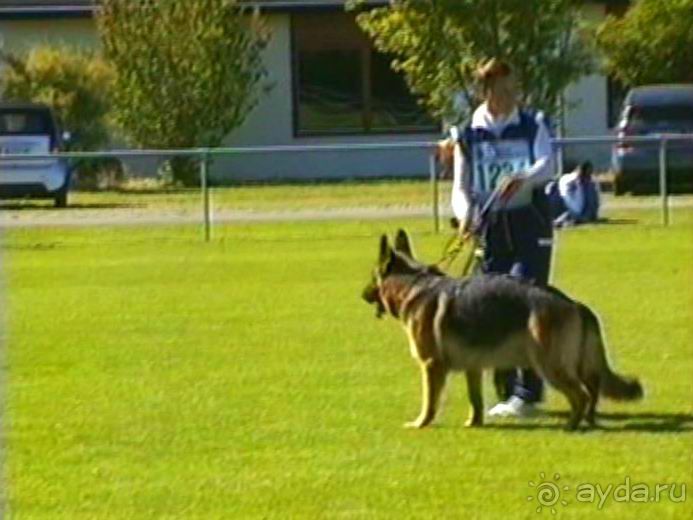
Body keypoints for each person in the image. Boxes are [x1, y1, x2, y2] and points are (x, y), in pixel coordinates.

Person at [438, 58, 555, 418]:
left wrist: (523, 177)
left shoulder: (533, 123)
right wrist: (466, 216)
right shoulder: (467, 134)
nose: (509, 96)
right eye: (501, 90)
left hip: (529, 223)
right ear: (484, 91)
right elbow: (462, 187)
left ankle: (528, 394)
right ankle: (506, 393)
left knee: (525, 298)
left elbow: (549, 165)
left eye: (512, 88)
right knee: (493, 307)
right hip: (492, 227)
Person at [552, 161, 601, 226]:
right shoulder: (573, 182)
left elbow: (594, 201)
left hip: (587, 212)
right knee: (570, 214)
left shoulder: (590, 184)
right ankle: (560, 221)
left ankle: (562, 222)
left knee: (574, 216)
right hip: (577, 209)